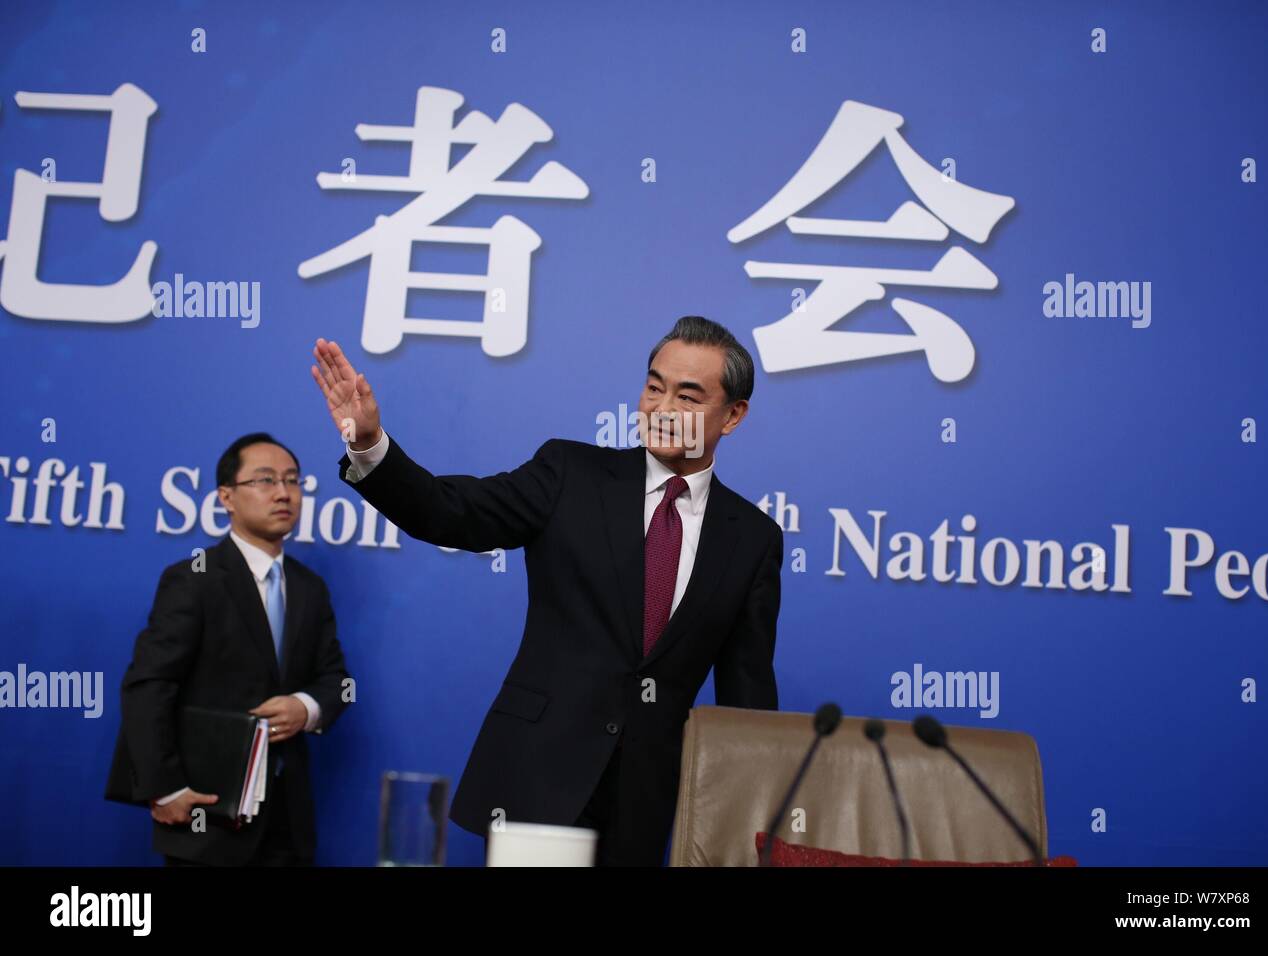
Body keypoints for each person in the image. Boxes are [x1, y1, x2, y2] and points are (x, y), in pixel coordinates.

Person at [311, 316, 782, 865]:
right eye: (654, 387)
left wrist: (754, 824)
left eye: (688, 395)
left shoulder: (751, 538)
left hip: (644, 805)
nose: (662, 408)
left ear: (734, 415)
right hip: (535, 780)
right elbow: (450, 512)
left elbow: (747, 697)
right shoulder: (570, 473)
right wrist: (368, 444)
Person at [105, 433, 353, 865]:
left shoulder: (310, 588)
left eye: (292, 481)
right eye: (264, 480)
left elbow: (338, 681)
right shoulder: (194, 579)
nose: (282, 493)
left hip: (286, 826)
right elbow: (149, 686)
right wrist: (166, 788)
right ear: (226, 497)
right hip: (206, 817)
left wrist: (305, 708)